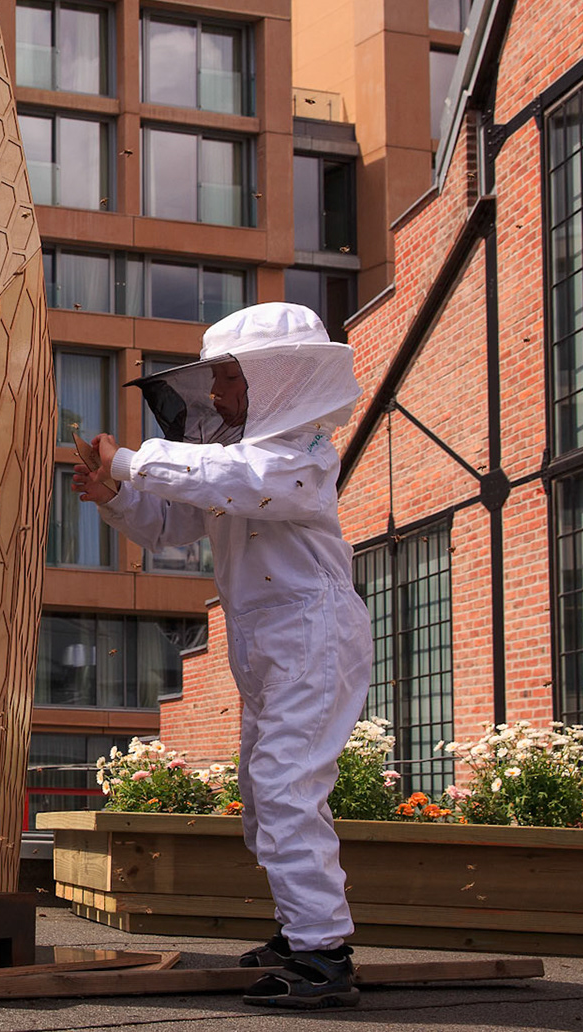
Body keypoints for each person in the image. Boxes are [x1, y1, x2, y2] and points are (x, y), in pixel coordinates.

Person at [71, 302, 371, 1011]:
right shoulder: (242, 460)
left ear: (278, 380)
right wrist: (117, 497)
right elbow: (175, 525)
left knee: (285, 785)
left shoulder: (298, 455)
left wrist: (132, 458)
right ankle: (301, 934)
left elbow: (233, 482)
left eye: (231, 379)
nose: (219, 395)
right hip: (273, 639)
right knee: (266, 794)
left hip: (311, 636)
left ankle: (323, 955)